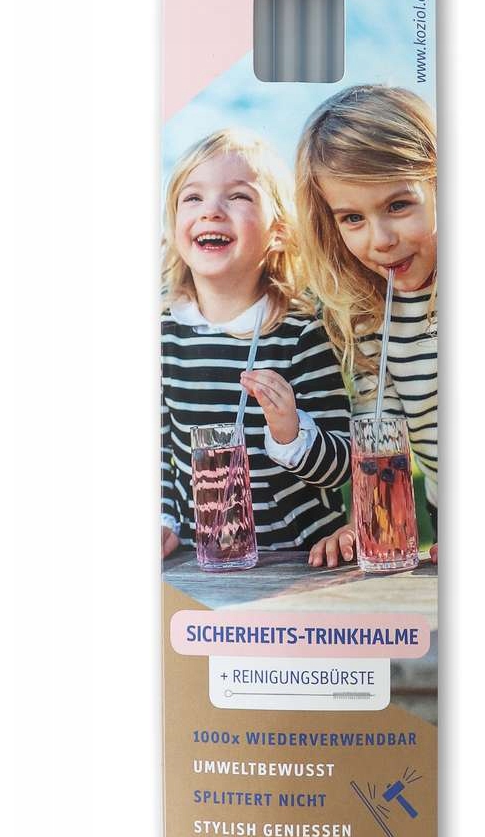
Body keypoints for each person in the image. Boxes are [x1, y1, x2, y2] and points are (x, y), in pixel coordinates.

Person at [161, 129, 351, 559]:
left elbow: (341, 466)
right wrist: (164, 518)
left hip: (301, 556)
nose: (211, 210)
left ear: (278, 232)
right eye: (193, 197)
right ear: (174, 226)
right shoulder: (164, 335)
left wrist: (291, 432)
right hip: (203, 558)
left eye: (238, 197)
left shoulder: (301, 333)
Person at [295, 86, 438, 567]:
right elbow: (380, 427)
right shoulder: (367, 314)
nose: (381, 240)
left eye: (398, 205)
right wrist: (365, 521)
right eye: (353, 218)